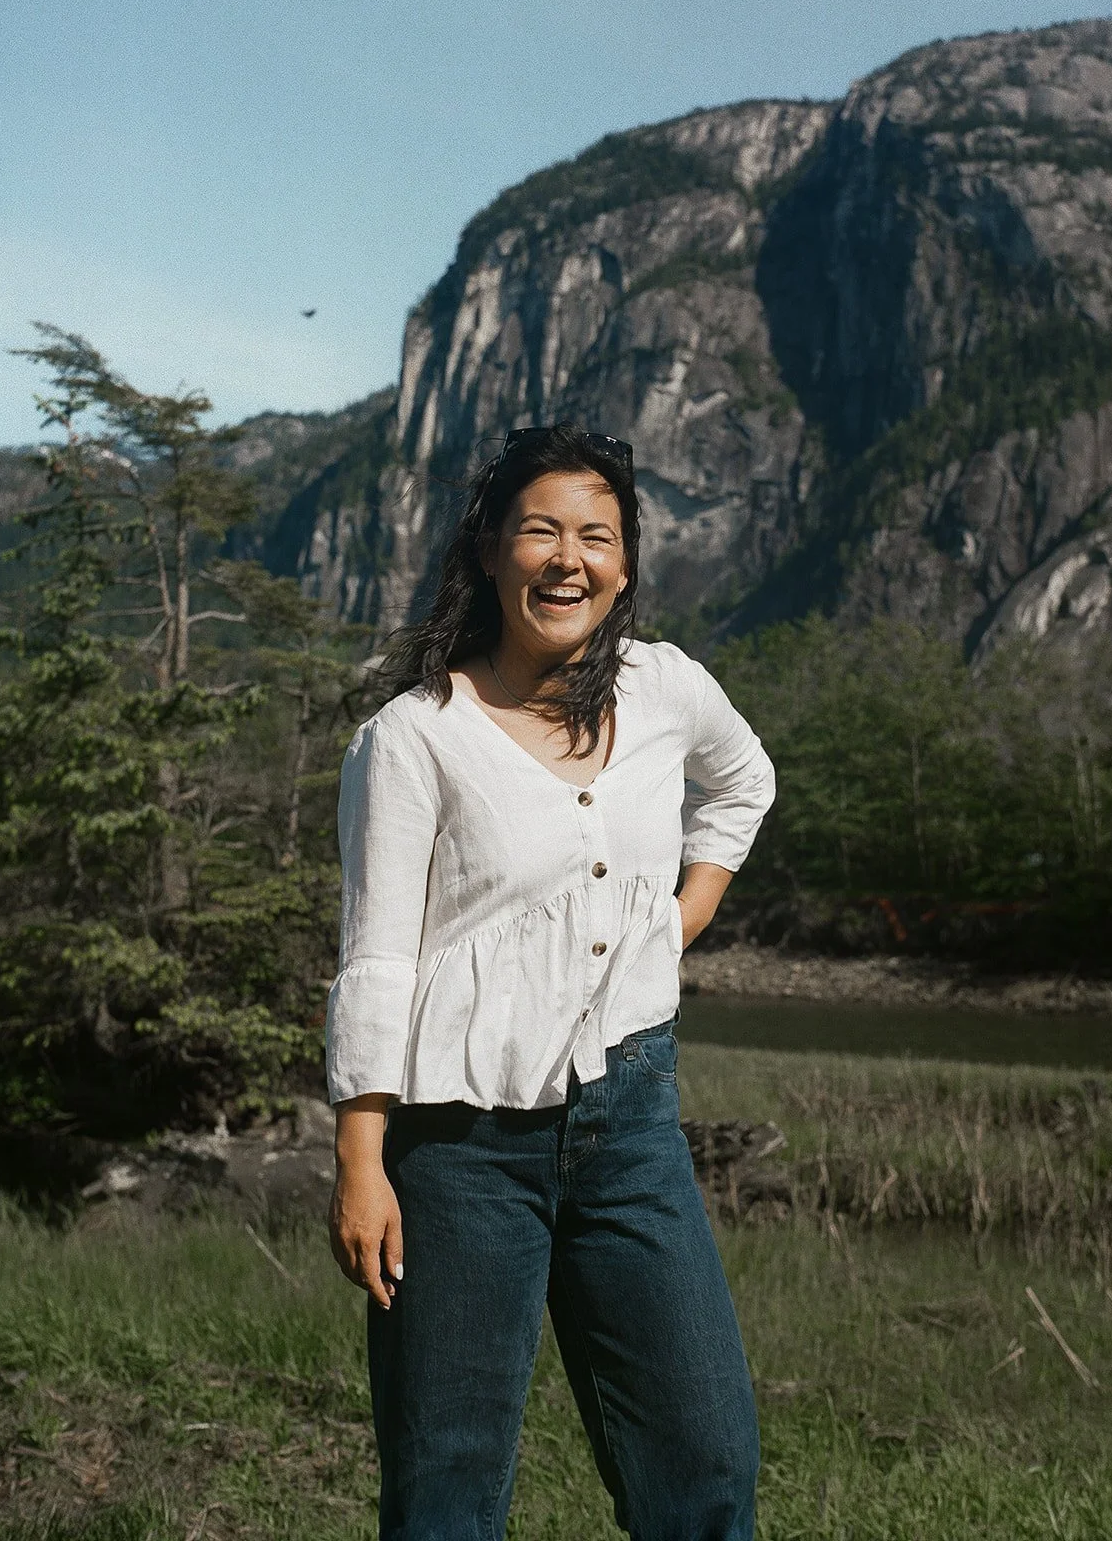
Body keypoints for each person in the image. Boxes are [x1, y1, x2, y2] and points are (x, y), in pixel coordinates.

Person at [324, 423, 776, 1541]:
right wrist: (360, 1159)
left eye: (596, 536)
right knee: (446, 1490)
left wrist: (683, 916)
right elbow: (377, 953)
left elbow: (744, 781)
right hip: (457, 1149)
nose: (567, 558)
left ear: (622, 567)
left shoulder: (665, 686)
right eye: (540, 531)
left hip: (631, 1128)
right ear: (488, 551)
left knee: (704, 1468)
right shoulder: (415, 737)